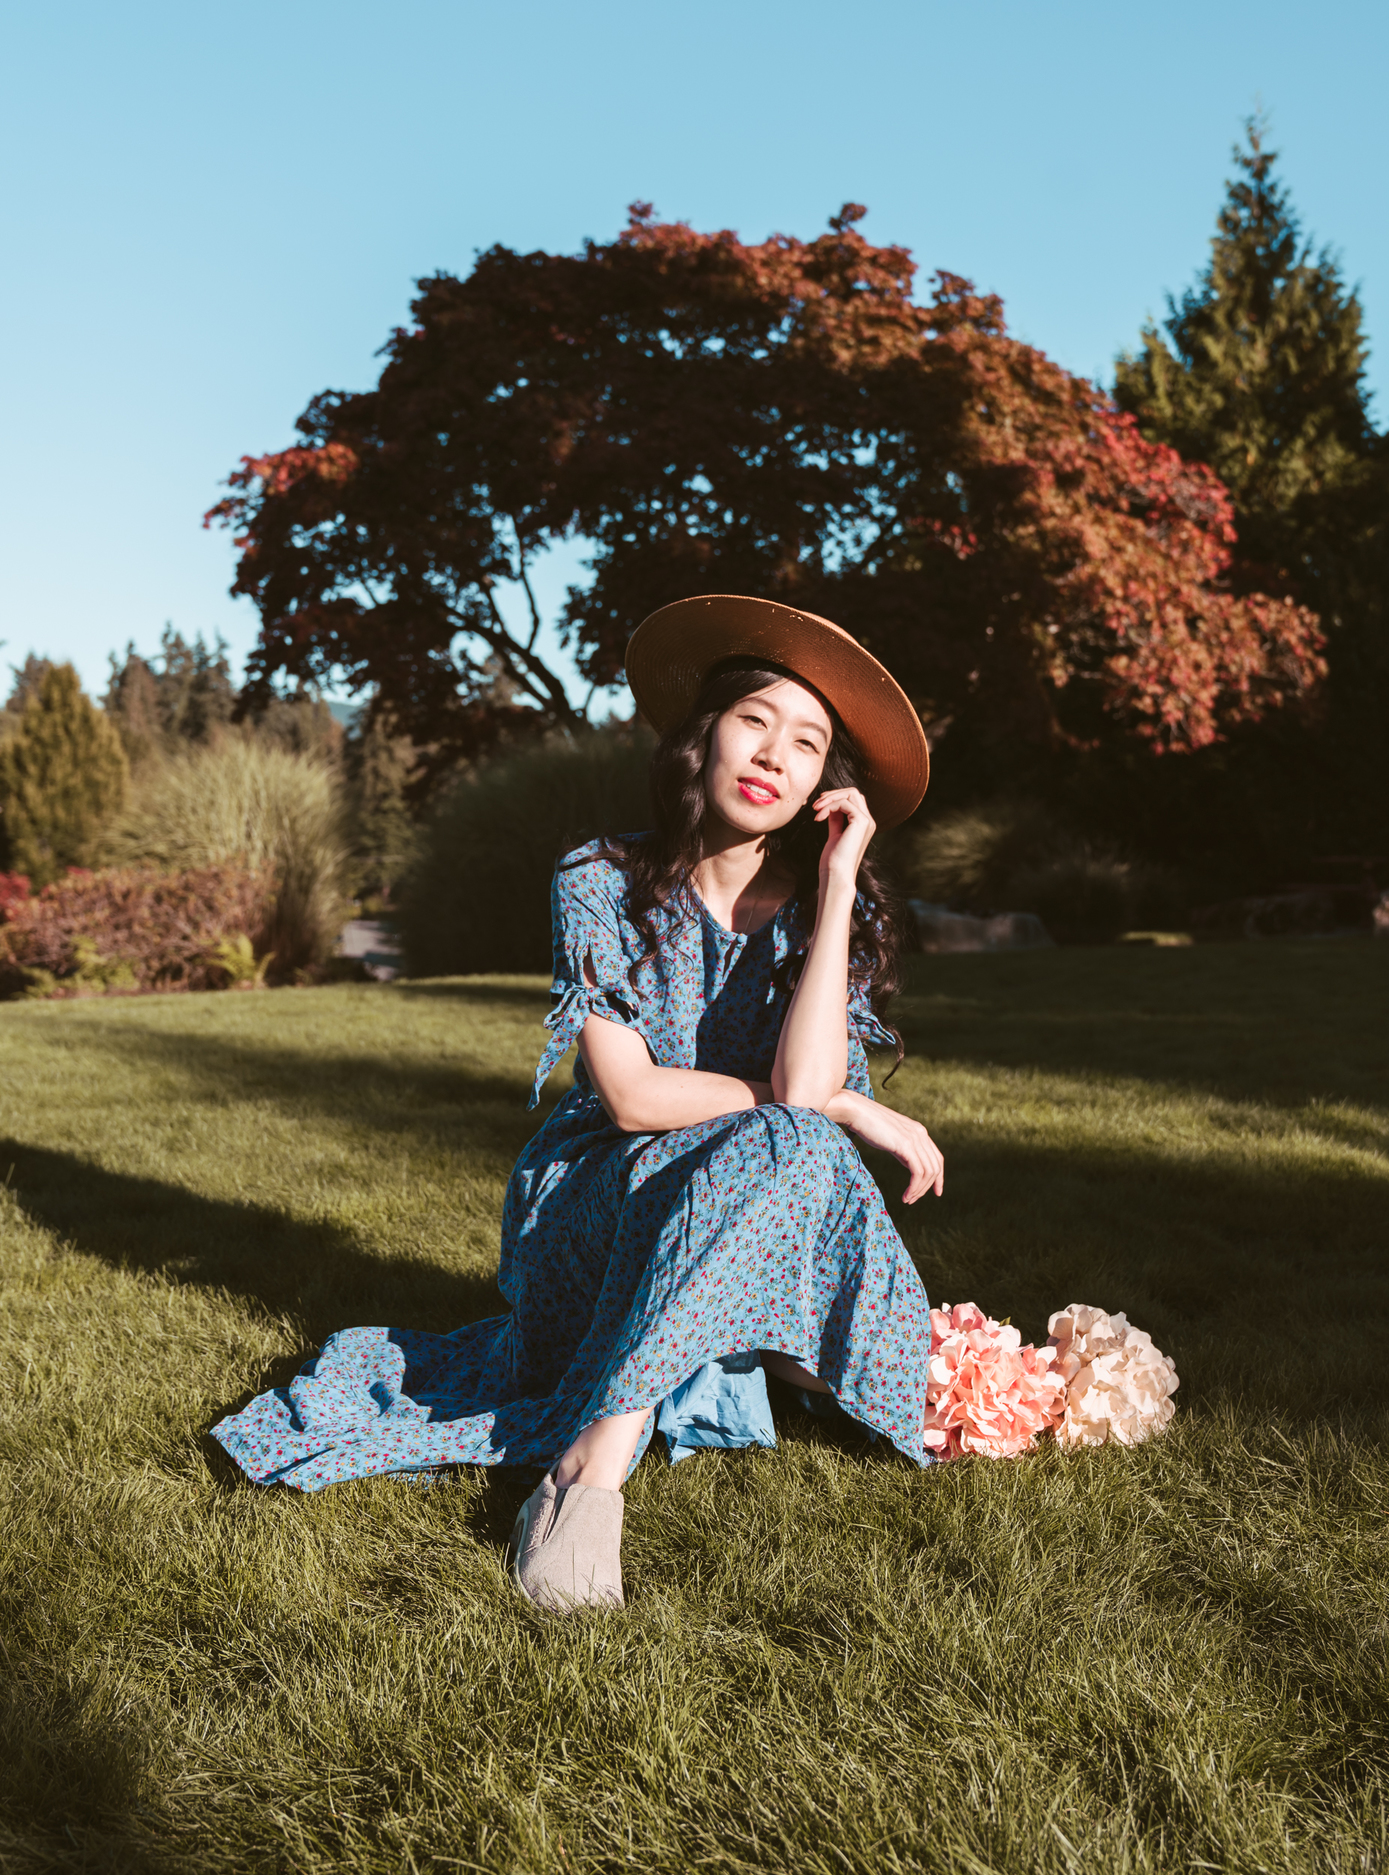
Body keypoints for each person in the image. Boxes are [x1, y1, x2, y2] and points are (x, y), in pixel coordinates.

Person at [212, 595, 944, 1610]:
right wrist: (839, 1109)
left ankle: (716, 1361)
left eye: (809, 742)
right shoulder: (599, 877)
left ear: (829, 785)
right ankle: (590, 1469)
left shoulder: (834, 907)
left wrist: (835, 886)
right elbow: (636, 1098)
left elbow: (810, 1088)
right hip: (600, 1192)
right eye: (755, 720)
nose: (776, 753)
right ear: (704, 734)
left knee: (793, 1149)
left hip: (763, 1180)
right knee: (797, 1139)